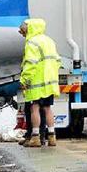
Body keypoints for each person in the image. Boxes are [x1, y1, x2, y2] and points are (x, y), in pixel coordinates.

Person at [18, 18, 61, 147]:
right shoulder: (49, 41)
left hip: (36, 82)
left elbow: (31, 63)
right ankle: (52, 137)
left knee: (34, 108)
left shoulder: (32, 43)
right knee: (48, 109)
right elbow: (57, 61)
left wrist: (24, 79)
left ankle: (35, 138)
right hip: (50, 81)